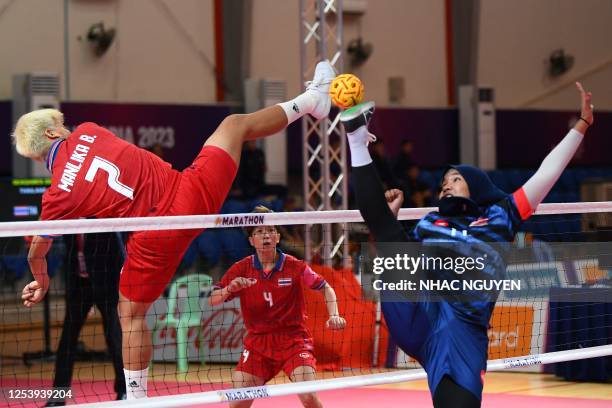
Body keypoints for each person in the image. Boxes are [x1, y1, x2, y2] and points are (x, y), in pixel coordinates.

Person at [13, 60, 336, 400]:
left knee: (131, 314)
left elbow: (38, 248)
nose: (67, 128)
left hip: (152, 236)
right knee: (234, 126)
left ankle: (136, 401)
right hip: (189, 195)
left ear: (36, 156)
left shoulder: (55, 196)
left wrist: (42, 279)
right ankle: (312, 100)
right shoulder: (90, 129)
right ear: (52, 133)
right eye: (61, 126)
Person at [339, 82, 594, 408]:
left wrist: (581, 126)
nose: (445, 186)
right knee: (387, 232)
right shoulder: (430, 222)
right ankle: (357, 139)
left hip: (464, 329)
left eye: (454, 180)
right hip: (421, 311)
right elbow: (400, 259)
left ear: (474, 185)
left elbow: (547, 173)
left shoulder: (501, 217)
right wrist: (388, 225)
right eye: (443, 183)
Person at [209, 206, 346, 408]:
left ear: (278, 237)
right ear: (251, 240)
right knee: (237, 403)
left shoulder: (294, 266)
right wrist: (230, 288)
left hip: (293, 340)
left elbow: (326, 288)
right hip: (258, 344)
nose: (266, 235)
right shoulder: (241, 268)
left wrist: (334, 315)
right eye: (259, 232)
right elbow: (213, 299)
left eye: (271, 230)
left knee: (308, 396)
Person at [45, 233, 125, 407]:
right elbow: (69, 254)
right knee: (67, 341)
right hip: (79, 287)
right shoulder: (69, 218)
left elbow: (119, 252)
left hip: (105, 283)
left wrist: (120, 286)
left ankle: (124, 391)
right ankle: (57, 397)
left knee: (114, 337)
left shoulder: (103, 216)